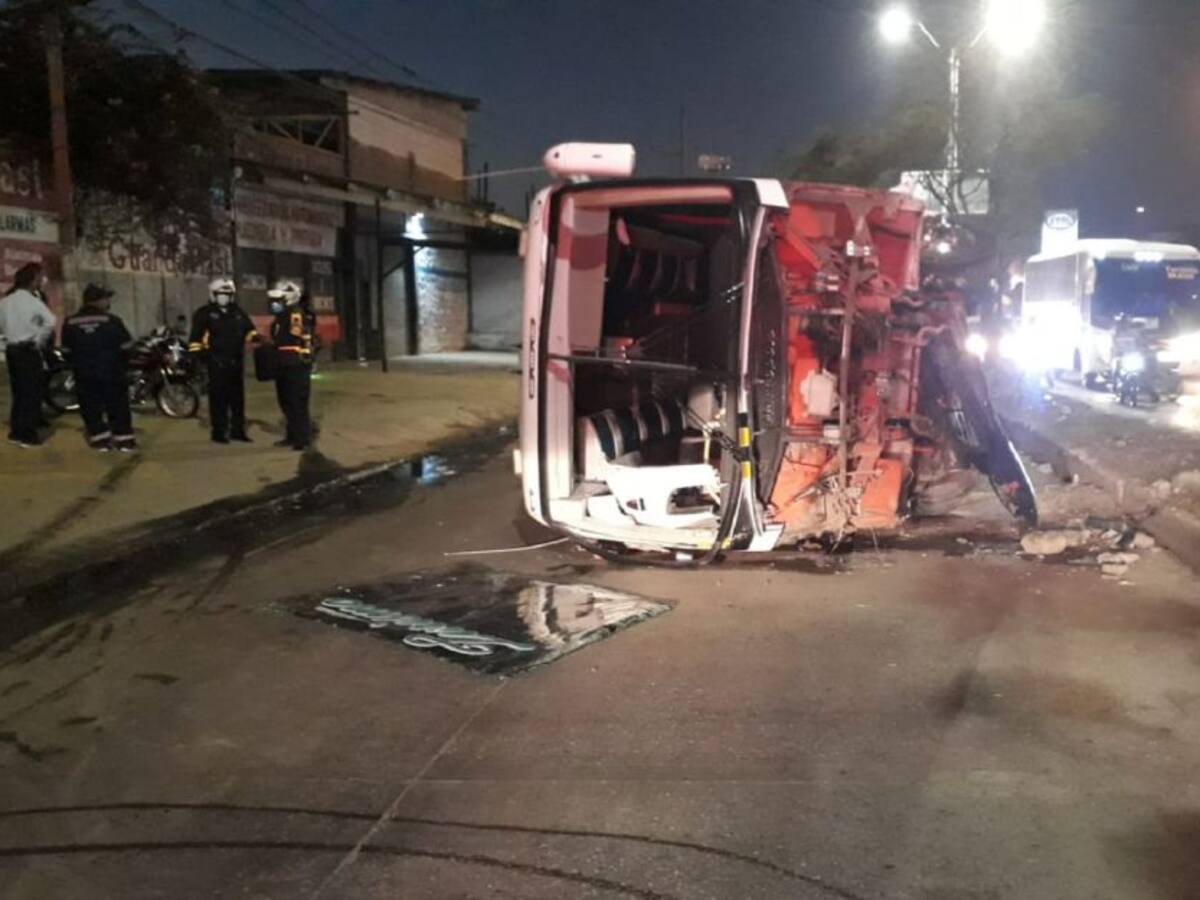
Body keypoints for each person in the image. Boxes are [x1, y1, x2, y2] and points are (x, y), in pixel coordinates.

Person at [61, 284, 137, 452]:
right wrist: (123, 364)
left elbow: (66, 351)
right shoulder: (112, 321)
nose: (108, 302)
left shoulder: (70, 322)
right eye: (106, 298)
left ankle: (100, 440)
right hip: (111, 371)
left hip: (85, 373)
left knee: (91, 407)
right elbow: (127, 347)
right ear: (99, 301)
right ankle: (124, 440)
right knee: (117, 405)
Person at [189, 278, 258, 444]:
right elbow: (195, 339)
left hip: (235, 362)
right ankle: (219, 432)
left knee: (237, 399)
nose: (224, 297)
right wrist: (201, 358)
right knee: (218, 399)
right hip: (216, 362)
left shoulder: (238, 313)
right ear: (213, 295)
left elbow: (249, 330)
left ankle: (238, 430)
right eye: (221, 294)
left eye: (227, 294)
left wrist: (257, 338)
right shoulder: (204, 313)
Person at [0, 263, 56, 448]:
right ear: (33, 280)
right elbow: (50, 322)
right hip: (28, 351)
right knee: (32, 393)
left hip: (11, 351)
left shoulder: (6, 301)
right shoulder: (32, 302)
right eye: (40, 278)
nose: (42, 281)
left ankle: (16, 432)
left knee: (19, 393)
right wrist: (39, 340)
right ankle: (27, 435)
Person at [267, 280, 315, 451]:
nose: (275, 303)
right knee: (285, 402)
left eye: (278, 299)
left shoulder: (295, 314)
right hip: (282, 364)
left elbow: (297, 335)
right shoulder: (280, 317)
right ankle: (291, 435)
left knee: (297, 403)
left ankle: (302, 439)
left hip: (295, 364)